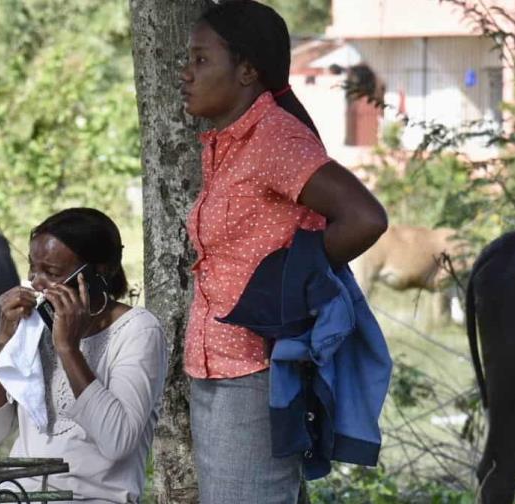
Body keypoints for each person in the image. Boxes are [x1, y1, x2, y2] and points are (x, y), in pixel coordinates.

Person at [178, 1, 389, 502]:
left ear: (247, 70)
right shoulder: (227, 142)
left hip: (256, 370)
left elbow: (365, 218)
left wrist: (292, 282)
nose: (185, 73)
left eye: (201, 60)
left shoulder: (275, 139)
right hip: (217, 368)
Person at [0, 207, 168, 504]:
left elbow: (118, 441)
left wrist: (68, 349)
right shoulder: (35, 324)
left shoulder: (138, 331)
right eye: (32, 268)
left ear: (95, 274)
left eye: (50, 273)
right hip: (16, 493)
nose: (36, 283)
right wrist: (3, 337)